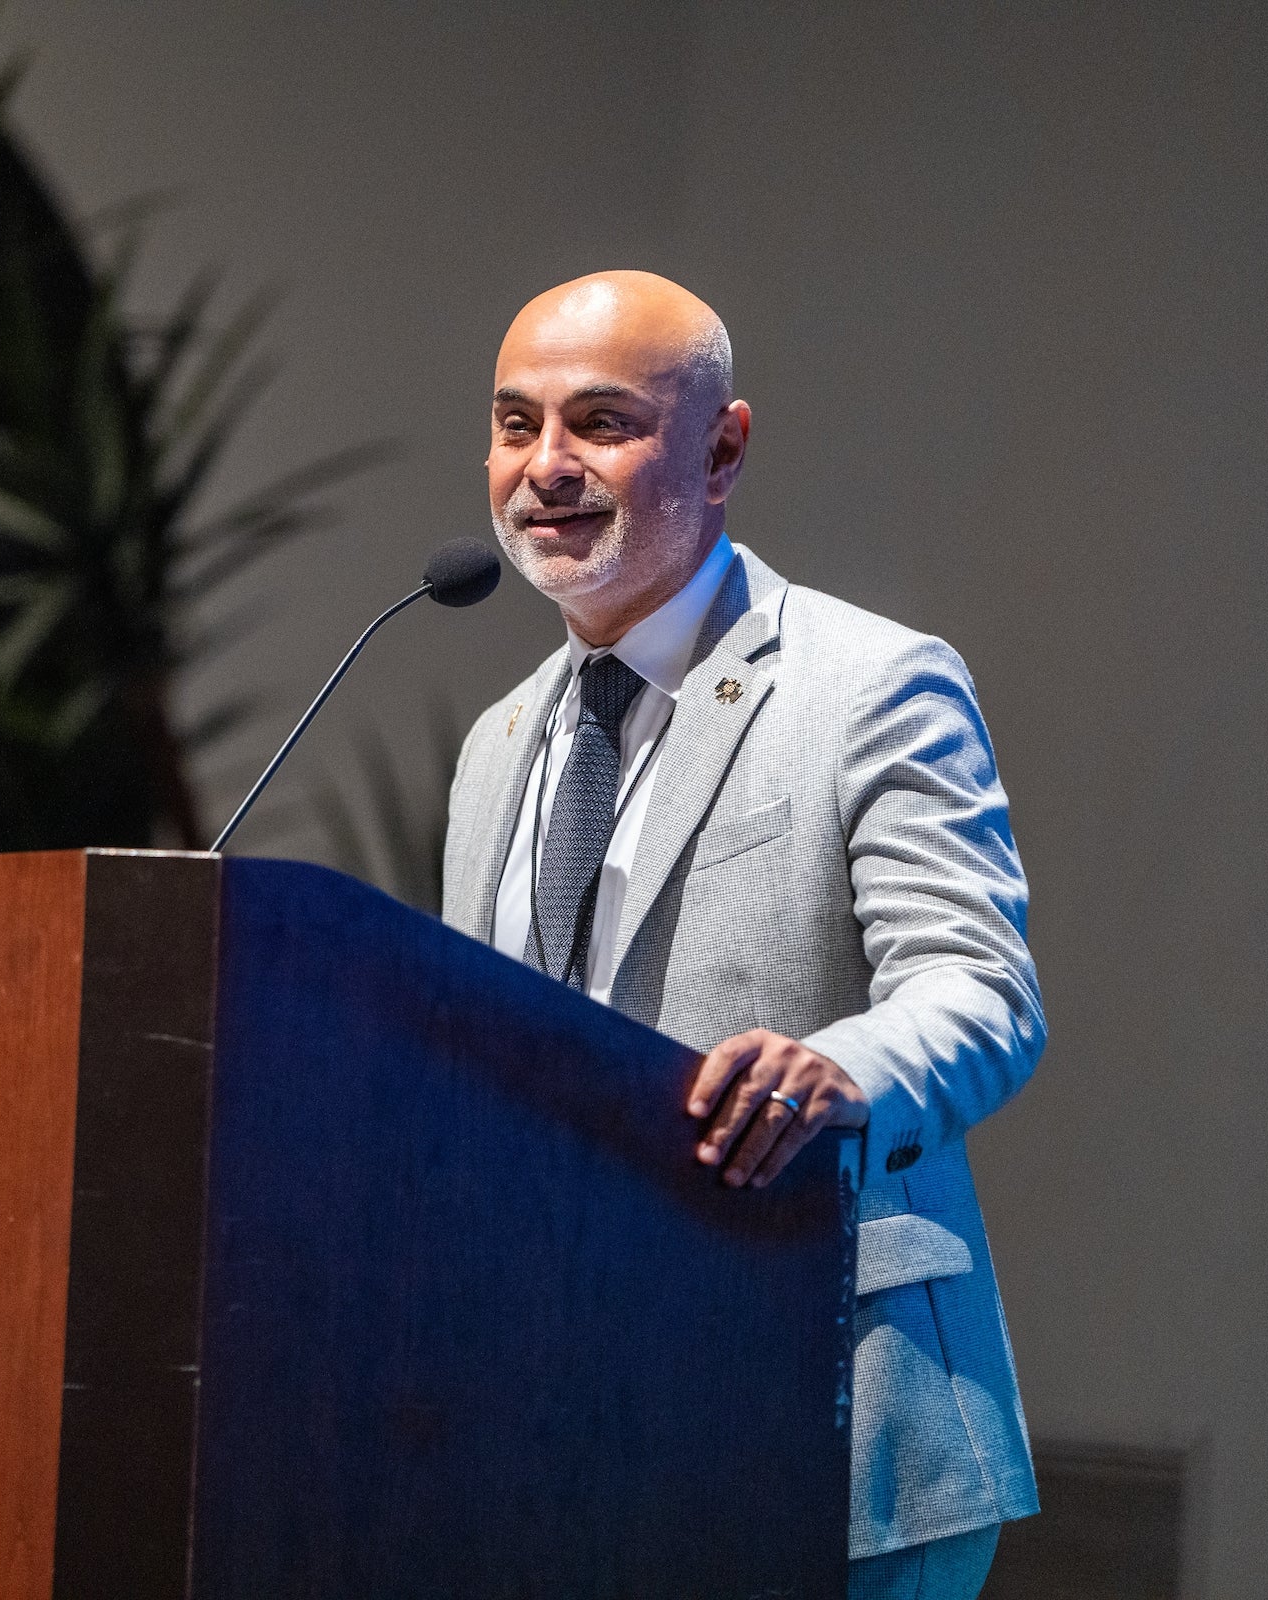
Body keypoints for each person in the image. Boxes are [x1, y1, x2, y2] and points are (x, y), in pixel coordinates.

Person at [442, 271, 1042, 1600]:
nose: (546, 467)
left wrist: (845, 1073)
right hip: (561, 1428)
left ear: (721, 451)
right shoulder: (498, 746)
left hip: (820, 1404)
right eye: (514, 423)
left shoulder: (867, 685)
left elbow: (982, 990)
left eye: (599, 422)